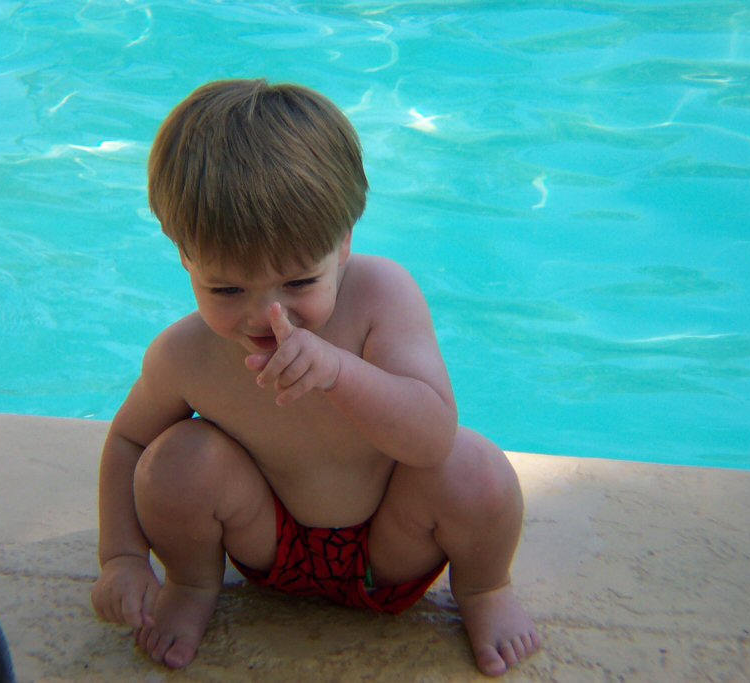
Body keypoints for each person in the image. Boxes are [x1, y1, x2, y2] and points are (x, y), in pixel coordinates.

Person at [90, 79, 540, 677]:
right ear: (185, 258)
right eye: (226, 290)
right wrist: (121, 557)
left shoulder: (382, 297)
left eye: (299, 282)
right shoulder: (186, 354)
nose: (264, 315)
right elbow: (128, 441)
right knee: (175, 459)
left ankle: (484, 589)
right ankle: (193, 583)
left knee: (475, 467)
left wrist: (340, 371)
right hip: (267, 545)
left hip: (392, 545)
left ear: (344, 242)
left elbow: (432, 437)